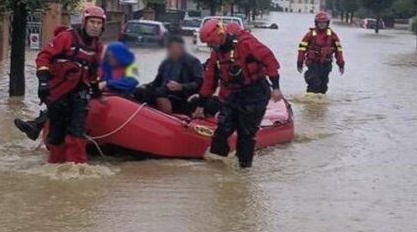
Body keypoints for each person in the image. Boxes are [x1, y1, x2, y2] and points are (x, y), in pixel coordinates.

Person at [16, 6, 106, 164]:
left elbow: (94, 71)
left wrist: (96, 89)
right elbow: (43, 57)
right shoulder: (66, 38)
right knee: (56, 134)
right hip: (58, 92)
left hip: (79, 93)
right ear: (84, 22)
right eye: (92, 22)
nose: (95, 26)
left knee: (77, 132)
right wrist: (43, 81)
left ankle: (77, 168)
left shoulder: (97, 46)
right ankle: (55, 164)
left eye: (99, 23)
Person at [194, 20, 282, 168]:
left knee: (246, 133)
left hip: (254, 93)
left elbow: (270, 60)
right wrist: (201, 105)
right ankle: (216, 168)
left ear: (219, 37)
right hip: (230, 93)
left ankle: (244, 170)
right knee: (222, 131)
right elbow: (210, 79)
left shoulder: (246, 43)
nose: (210, 47)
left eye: (211, 43)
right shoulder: (217, 53)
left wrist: (276, 87)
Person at [135, 36, 203, 114]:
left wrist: (181, 86)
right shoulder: (166, 63)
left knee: (161, 92)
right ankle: (142, 116)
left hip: (182, 94)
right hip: (164, 90)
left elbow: (199, 82)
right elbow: (157, 82)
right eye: (169, 48)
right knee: (141, 91)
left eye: (174, 48)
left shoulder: (193, 62)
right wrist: (146, 86)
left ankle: (168, 118)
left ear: (181, 48)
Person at [297, 11, 345, 94]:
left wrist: (341, 64)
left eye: (324, 23)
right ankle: (310, 104)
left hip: (326, 65)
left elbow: (338, 51)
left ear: (327, 23)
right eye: (320, 22)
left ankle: (320, 104)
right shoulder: (310, 35)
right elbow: (302, 49)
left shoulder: (333, 36)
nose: (322, 24)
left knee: (323, 87)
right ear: (316, 23)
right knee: (314, 83)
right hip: (313, 64)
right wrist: (299, 62)